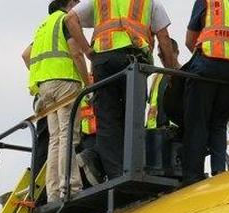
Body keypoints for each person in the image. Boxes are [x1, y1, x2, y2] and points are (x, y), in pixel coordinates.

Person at [66, 0, 178, 181]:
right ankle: (132, 170)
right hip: (133, 60)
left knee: (108, 119)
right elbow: (164, 38)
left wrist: (88, 51)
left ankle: (115, 174)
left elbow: (70, 19)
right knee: (132, 117)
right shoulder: (149, 3)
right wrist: (171, 73)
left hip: (104, 60)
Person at [181, 0, 229, 185]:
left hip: (208, 65)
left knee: (197, 121)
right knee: (218, 122)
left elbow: (190, 40)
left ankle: (193, 176)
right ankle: (219, 170)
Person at [24, 0, 90, 202]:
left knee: (55, 140)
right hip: (65, 82)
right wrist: (87, 84)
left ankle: (53, 193)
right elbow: (76, 53)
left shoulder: (43, 27)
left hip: (45, 87)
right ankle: (70, 187)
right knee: (68, 135)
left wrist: (45, 76)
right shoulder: (66, 20)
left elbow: (26, 55)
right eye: (77, 3)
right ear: (69, 4)